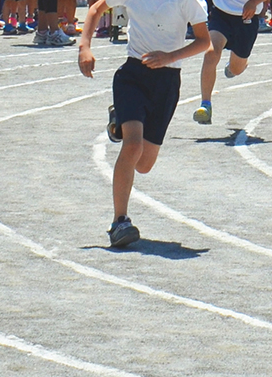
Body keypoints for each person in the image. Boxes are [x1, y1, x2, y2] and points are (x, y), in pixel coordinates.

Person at [79, 0, 211, 247]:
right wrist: (84, 46)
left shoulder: (188, 2)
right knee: (132, 146)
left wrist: (170, 57)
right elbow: (97, 8)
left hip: (167, 82)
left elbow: (205, 41)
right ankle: (120, 221)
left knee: (144, 165)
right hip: (133, 75)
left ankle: (121, 119)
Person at [192, 0, 261, 125]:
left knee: (236, 69)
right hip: (221, 15)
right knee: (211, 54)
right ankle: (205, 105)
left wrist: (253, 3)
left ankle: (237, 65)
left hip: (247, 17)